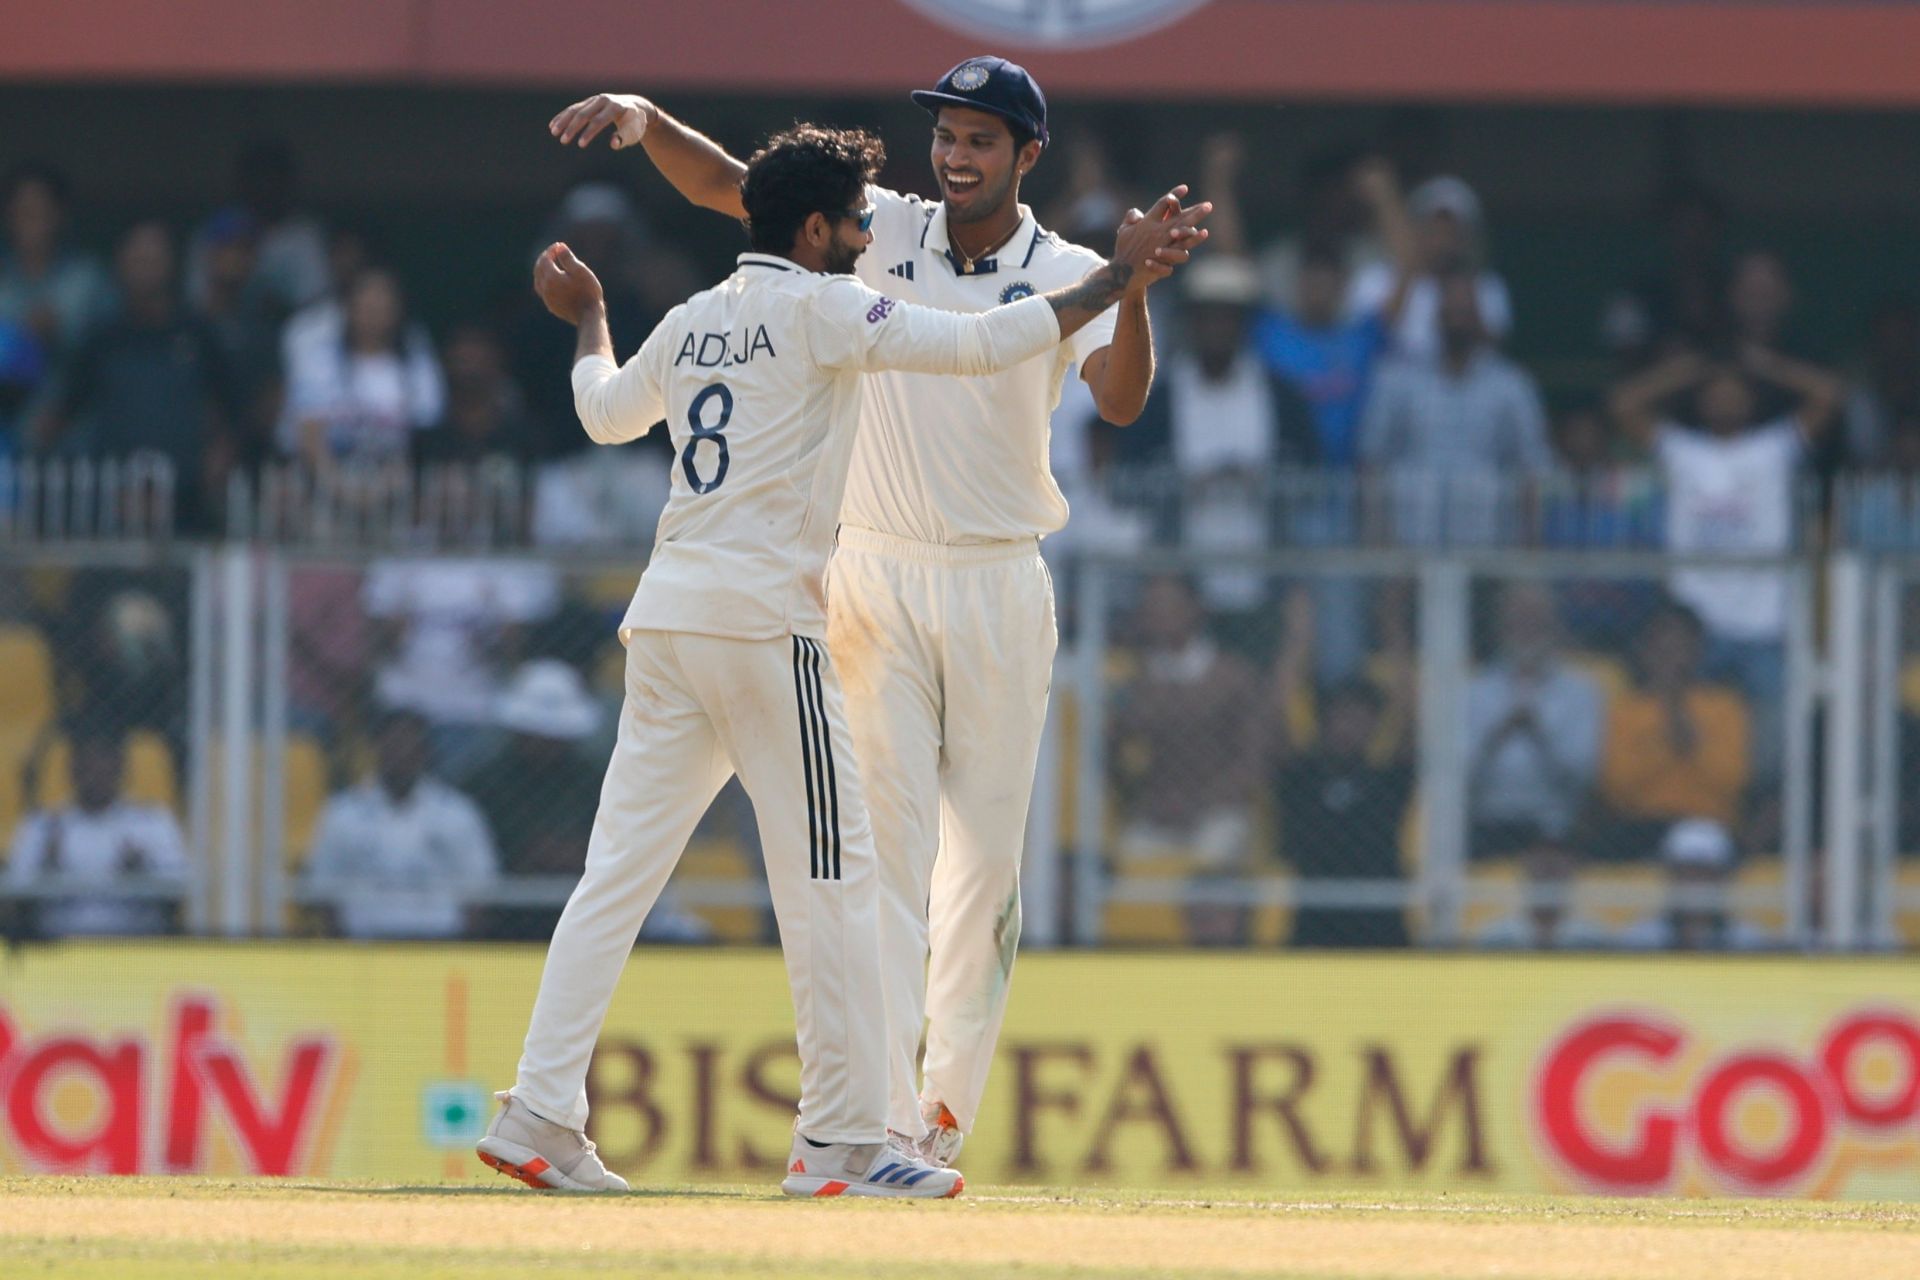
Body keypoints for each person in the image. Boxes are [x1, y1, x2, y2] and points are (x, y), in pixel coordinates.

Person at [476, 123, 1205, 1197]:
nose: (872, 237)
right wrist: (1117, 279)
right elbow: (980, 347)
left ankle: (537, 1109)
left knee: (614, 877)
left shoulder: (692, 318)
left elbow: (599, 413)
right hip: (770, 631)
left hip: (667, 624)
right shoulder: (826, 307)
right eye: (858, 222)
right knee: (842, 882)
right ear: (815, 231)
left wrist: (588, 317)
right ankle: (841, 1140)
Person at [1609, 345, 1842, 778]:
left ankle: (1763, 812)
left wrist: (1769, 366)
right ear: (1700, 401)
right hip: (1696, 630)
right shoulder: (1681, 450)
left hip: (1764, 627)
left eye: (1734, 392)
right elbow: (1624, 405)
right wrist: (1683, 371)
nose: (1724, 400)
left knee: (1774, 752)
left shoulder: (1775, 448)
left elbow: (1828, 396)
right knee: (1696, 737)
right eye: (1715, 393)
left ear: (1751, 401)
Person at [32, 222, 233, 529]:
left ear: (171, 265)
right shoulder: (101, 338)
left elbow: (228, 408)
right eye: (137, 260)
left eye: (153, 260)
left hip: (187, 499)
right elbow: (62, 414)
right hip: (111, 501)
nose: (145, 270)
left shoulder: (199, 333)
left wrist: (218, 457)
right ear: (120, 265)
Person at [1110, 574, 1265, 871]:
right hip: (1155, 814)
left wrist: (1200, 803)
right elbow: (1114, 751)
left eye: (1168, 605)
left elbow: (1252, 760)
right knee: (1131, 859)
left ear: (1195, 609)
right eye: (1151, 606)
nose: (1159, 614)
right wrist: (1147, 800)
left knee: (1215, 855)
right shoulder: (1135, 683)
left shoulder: (1233, 678)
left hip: (1219, 813)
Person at [304, 709, 498, 939]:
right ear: (375, 749)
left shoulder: (457, 813)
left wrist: (461, 949)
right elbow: (325, 891)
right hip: (365, 946)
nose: (401, 753)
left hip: (439, 945)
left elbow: (479, 891)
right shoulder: (343, 813)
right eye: (393, 744)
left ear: (425, 751)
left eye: (409, 743)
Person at [4, 720, 190, 938]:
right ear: (72, 769)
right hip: (58, 949)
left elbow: (178, 895)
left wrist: (142, 872)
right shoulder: (43, 825)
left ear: (121, 767)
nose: (95, 773)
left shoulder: (151, 822)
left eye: (104, 762)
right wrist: (47, 868)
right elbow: (14, 900)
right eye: (86, 764)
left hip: (135, 948)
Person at [1598, 601, 1751, 852]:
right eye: (1660, 646)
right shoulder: (1624, 711)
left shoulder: (1725, 706)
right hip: (1642, 826)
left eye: (1680, 646)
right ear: (1643, 650)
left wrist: (1692, 747)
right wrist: (1666, 746)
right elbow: (1618, 789)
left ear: (1697, 650)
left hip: (1708, 822)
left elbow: (1731, 782)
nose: (1670, 655)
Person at [1466, 583, 1604, 860]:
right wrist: (1498, 735)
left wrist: (1540, 736)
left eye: (1536, 620)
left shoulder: (1581, 692)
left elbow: (1583, 774)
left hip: (1554, 827)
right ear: (1500, 626)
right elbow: (1457, 771)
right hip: (1488, 822)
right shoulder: (1474, 691)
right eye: (1518, 620)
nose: (1527, 629)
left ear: (1554, 627)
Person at [1276, 678, 1414, 947]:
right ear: (1323, 721)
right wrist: (1295, 652)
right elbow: (1275, 719)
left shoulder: (1386, 781)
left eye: (1360, 719)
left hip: (1378, 917)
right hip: (1315, 916)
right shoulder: (1301, 778)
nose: (1348, 727)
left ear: (1374, 726)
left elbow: (1412, 724)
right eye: (1341, 716)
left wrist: (1397, 651)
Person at [1618, 818, 1773, 952]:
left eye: (1705, 873)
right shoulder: (1642, 939)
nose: (1694, 883)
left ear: (1723, 877)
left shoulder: (1747, 941)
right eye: (1685, 872)